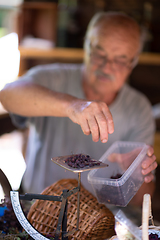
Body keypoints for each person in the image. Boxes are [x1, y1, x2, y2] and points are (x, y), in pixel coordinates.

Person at [0, 11, 157, 208]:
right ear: (86, 45)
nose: (107, 67)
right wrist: (72, 106)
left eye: (120, 60)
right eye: (100, 52)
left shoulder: (139, 108)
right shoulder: (54, 79)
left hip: (102, 223)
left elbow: (141, 201)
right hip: (39, 210)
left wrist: (134, 175)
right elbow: (7, 95)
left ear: (133, 62)